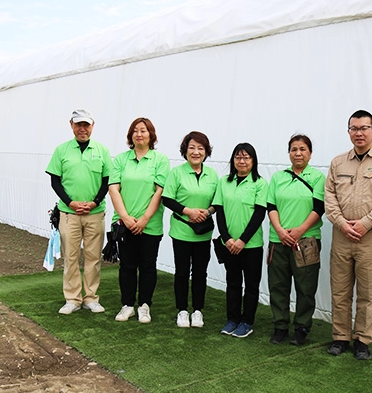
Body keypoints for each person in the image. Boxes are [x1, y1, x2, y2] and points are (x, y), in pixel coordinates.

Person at [325, 109, 372, 360]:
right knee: (340, 290)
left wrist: (366, 223)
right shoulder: (338, 163)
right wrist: (342, 223)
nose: (359, 133)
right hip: (341, 236)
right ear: (348, 132)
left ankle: (362, 340)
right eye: (354, 128)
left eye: (364, 128)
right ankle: (340, 337)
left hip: (370, 238)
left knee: (368, 293)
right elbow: (330, 197)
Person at [45, 109, 112, 315]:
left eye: (86, 125)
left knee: (93, 257)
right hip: (68, 213)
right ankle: (73, 299)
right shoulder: (62, 150)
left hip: (95, 213)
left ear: (93, 126)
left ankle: (91, 298)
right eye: (78, 125)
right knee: (71, 257)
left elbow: (106, 181)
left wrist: (95, 202)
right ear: (71, 125)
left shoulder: (102, 150)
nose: (82, 129)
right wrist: (71, 202)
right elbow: (55, 181)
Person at [109, 117, 170, 324]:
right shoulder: (120, 159)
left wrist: (144, 220)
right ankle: (127, 305)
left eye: (143, 130)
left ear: (151, 135)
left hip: (150, 225)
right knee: (126, 266)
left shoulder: (160, 160)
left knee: (147, 266)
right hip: (124, 225)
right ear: (130, 136)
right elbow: (113, 188)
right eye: (135, 131)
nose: (139, 134)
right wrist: (125, 218)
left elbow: (159, 191)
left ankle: (144, 306)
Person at [266, 134, 326, 345]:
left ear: (310, 153)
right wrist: (281, 231)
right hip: (278, 240)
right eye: (294, 149)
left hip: (306, 241)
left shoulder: (318, 177)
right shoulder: (278, 177)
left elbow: (319, 208)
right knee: (278, 285)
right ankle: (280, 325)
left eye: (302, 149)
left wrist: (299, 230)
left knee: (305, 287)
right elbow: (271, 206)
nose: (298, 153)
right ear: (289, 152)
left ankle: (302, 327)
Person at [162, 131, 218, 328]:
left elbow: (217, 202)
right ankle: (182, 310)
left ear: (206, 152)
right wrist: (188, 212)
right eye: (192, 147)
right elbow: (167, 198)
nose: (196, 152)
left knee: (200, 273)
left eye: (200, 148)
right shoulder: (176, 172)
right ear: (185, 150)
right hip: (182, 232)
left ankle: (198, 311)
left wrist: (207, 211)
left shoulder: (212, 175)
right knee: (182, 272)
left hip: (203, 233)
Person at [213, 143, 268, 338]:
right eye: (238, 157)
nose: (242, 161)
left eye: (246, 157)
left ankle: (247, 322)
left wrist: (242, 240)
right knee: (233, 282)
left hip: (251, 245)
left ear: (253, 161)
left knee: (251, 285)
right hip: (228, 245)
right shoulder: (224, 182)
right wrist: (227, 239)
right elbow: (219, 211)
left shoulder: (260, 184)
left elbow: (259, 215)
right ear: (233, 160)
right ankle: (232, 319)